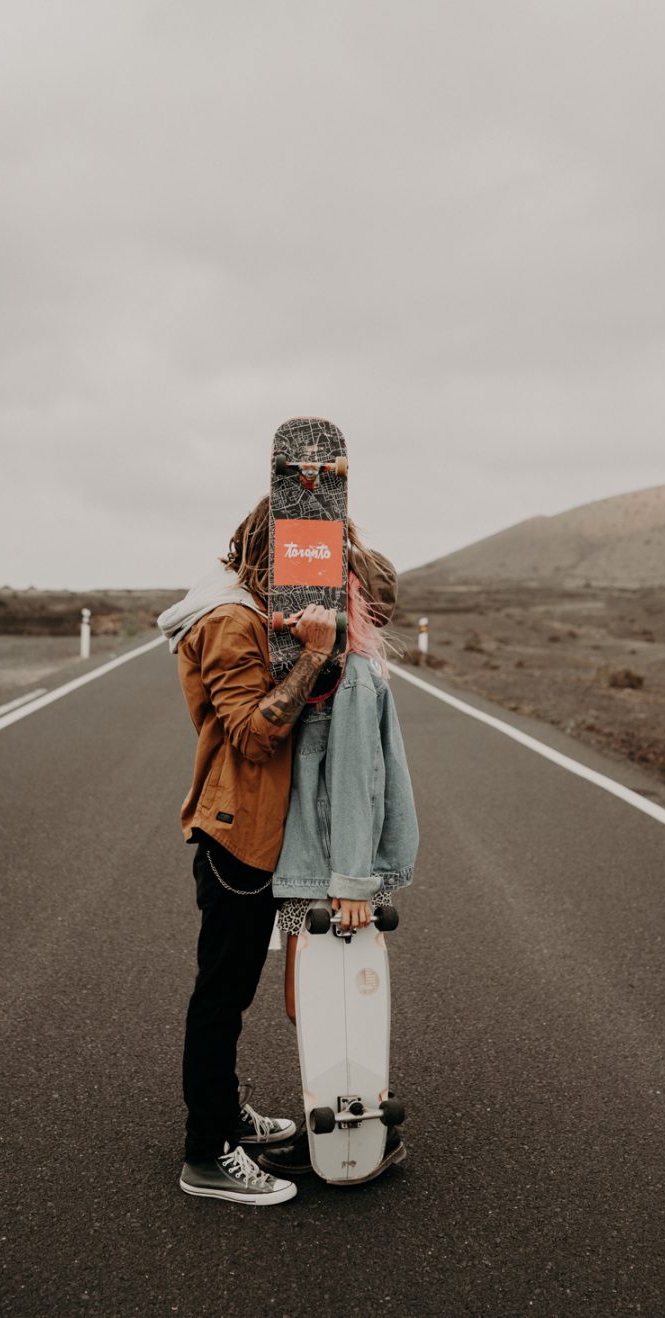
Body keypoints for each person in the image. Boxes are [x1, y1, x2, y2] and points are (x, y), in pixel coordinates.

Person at [157, 496, 400, 1205]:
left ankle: (225, 1113)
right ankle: (206, 1153)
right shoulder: (231, 620)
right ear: (277, 550)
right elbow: (255, 733)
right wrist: (317, 657)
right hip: (238, 837)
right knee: (222, 996)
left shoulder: (253, 611)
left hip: (260, 835)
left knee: (231, 991)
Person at [256, 568, 419, 1183]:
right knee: (318, 1005)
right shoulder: (340, 669)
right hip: (318, 872)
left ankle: (366, 1126)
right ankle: (337, 1113)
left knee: (322, 1001)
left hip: (328, 877)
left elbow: (357, 780)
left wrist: (351, 884)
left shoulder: (349, 677)